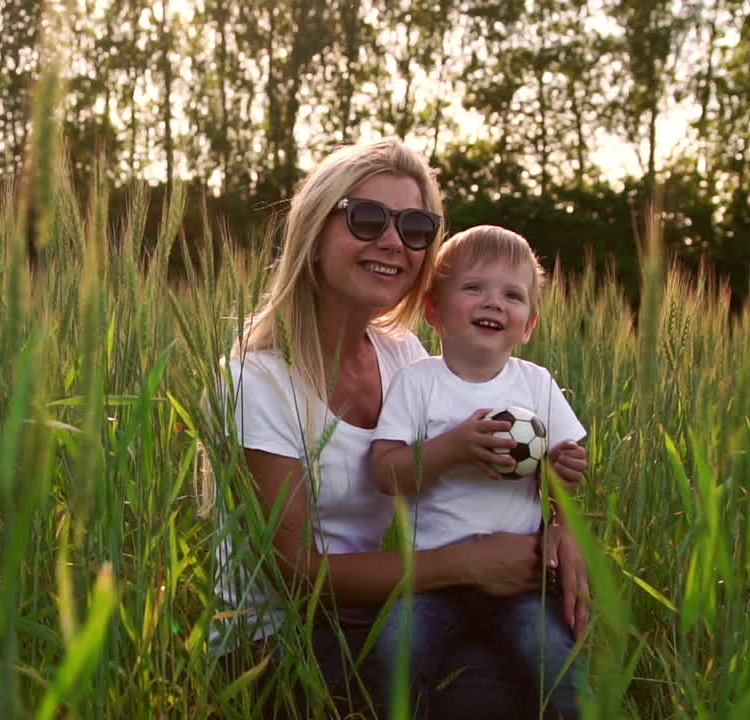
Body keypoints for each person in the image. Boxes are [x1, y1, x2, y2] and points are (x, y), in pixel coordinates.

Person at [207, 138, 590, 718]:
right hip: (279, 642)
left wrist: (562, 529)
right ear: (314, 232)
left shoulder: (405, 357)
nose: (392, 241)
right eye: (366, 218)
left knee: (517, 681)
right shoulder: (256, 378)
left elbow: (515, 462)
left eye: (415, 227)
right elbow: (295, 574)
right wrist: (467, 563)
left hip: (389, 605)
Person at [371, 224, 589, 718]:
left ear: (528, 324)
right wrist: (454, 449)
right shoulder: (418, 382)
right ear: (434, 310)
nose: (493, 303)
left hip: (521, 583)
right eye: (474, 288)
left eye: (512, 295)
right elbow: (386, 473)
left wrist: (566, 467)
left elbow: (562, 477)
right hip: (431, 582)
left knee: (557, 660)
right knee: (393, 653)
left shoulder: (536, 384)